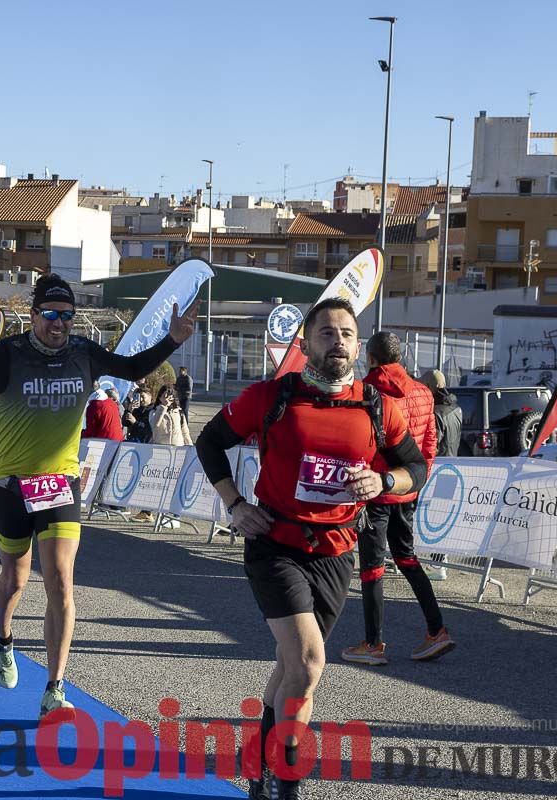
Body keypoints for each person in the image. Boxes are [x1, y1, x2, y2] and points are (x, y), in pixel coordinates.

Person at [0, 273, 198, 717]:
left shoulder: (84, 353)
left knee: (61, 581)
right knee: (14, 580)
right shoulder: (8, 354)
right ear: (33, 316)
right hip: (10, 483)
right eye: (50, 314)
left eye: (66, 316)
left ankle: (55, 686)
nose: (59, 323)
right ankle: (3, 635)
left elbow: (131, 368)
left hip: (60, 483)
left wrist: (173, 341)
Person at [193, 297, 427, 800]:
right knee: (310, 662)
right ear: (305, 343)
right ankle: (288, 780)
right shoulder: (271, 397)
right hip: (275, 544)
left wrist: (384, 480)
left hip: (337, 551)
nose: (337, 341)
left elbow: (417, 468)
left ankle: (256, 764)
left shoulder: (377, 406)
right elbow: (209, 442)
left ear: (358, 346)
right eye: (326, 333)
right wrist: (234, 504)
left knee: (291, 666)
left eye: (346, 333)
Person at [340, 333, 452, 669]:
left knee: (372, 566)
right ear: (399, 356)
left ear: (371, 358)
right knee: (406, 557)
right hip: (406, 488)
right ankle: (437, 630)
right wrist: (416, 481)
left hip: (375, 488)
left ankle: (373, 643)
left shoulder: (364, 390)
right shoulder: (422, 391)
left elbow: (355, 442)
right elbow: (430, 444)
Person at [419, 368, 461, 581]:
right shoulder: (456, 408)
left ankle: (436, 565)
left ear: (429, 388)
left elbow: (432, 445)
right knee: (441, 518)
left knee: (429, 516)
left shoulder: (436, 412)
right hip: (451, 468)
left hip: (435, 470)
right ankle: (439, 563)